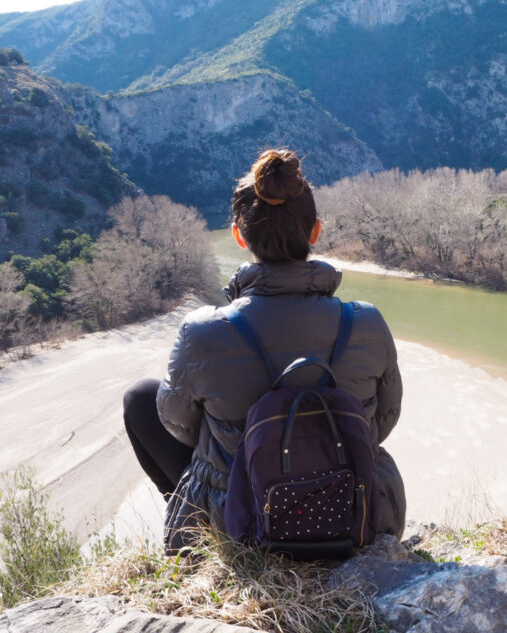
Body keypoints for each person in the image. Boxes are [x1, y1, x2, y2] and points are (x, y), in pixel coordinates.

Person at [123, 149, 406, 550]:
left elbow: (178, 427)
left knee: (140, 398)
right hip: (357, 512)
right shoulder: (366, 322)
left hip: (244, 523)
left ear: (239, 236)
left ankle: (204, 535)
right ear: (315, 232)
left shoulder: (203, 332)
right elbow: (385, 420)